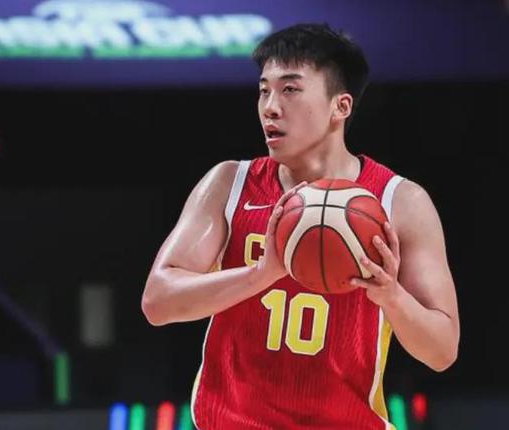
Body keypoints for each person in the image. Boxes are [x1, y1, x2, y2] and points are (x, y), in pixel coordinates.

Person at [142, 23, 460, 430]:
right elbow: (158, 302)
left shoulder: (399, 202)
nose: (270, 107)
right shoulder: (230, 184)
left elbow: (442, 351)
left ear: (340, 107)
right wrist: (261, 274)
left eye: (290, 89)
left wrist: (392, 297)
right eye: (264, 91)